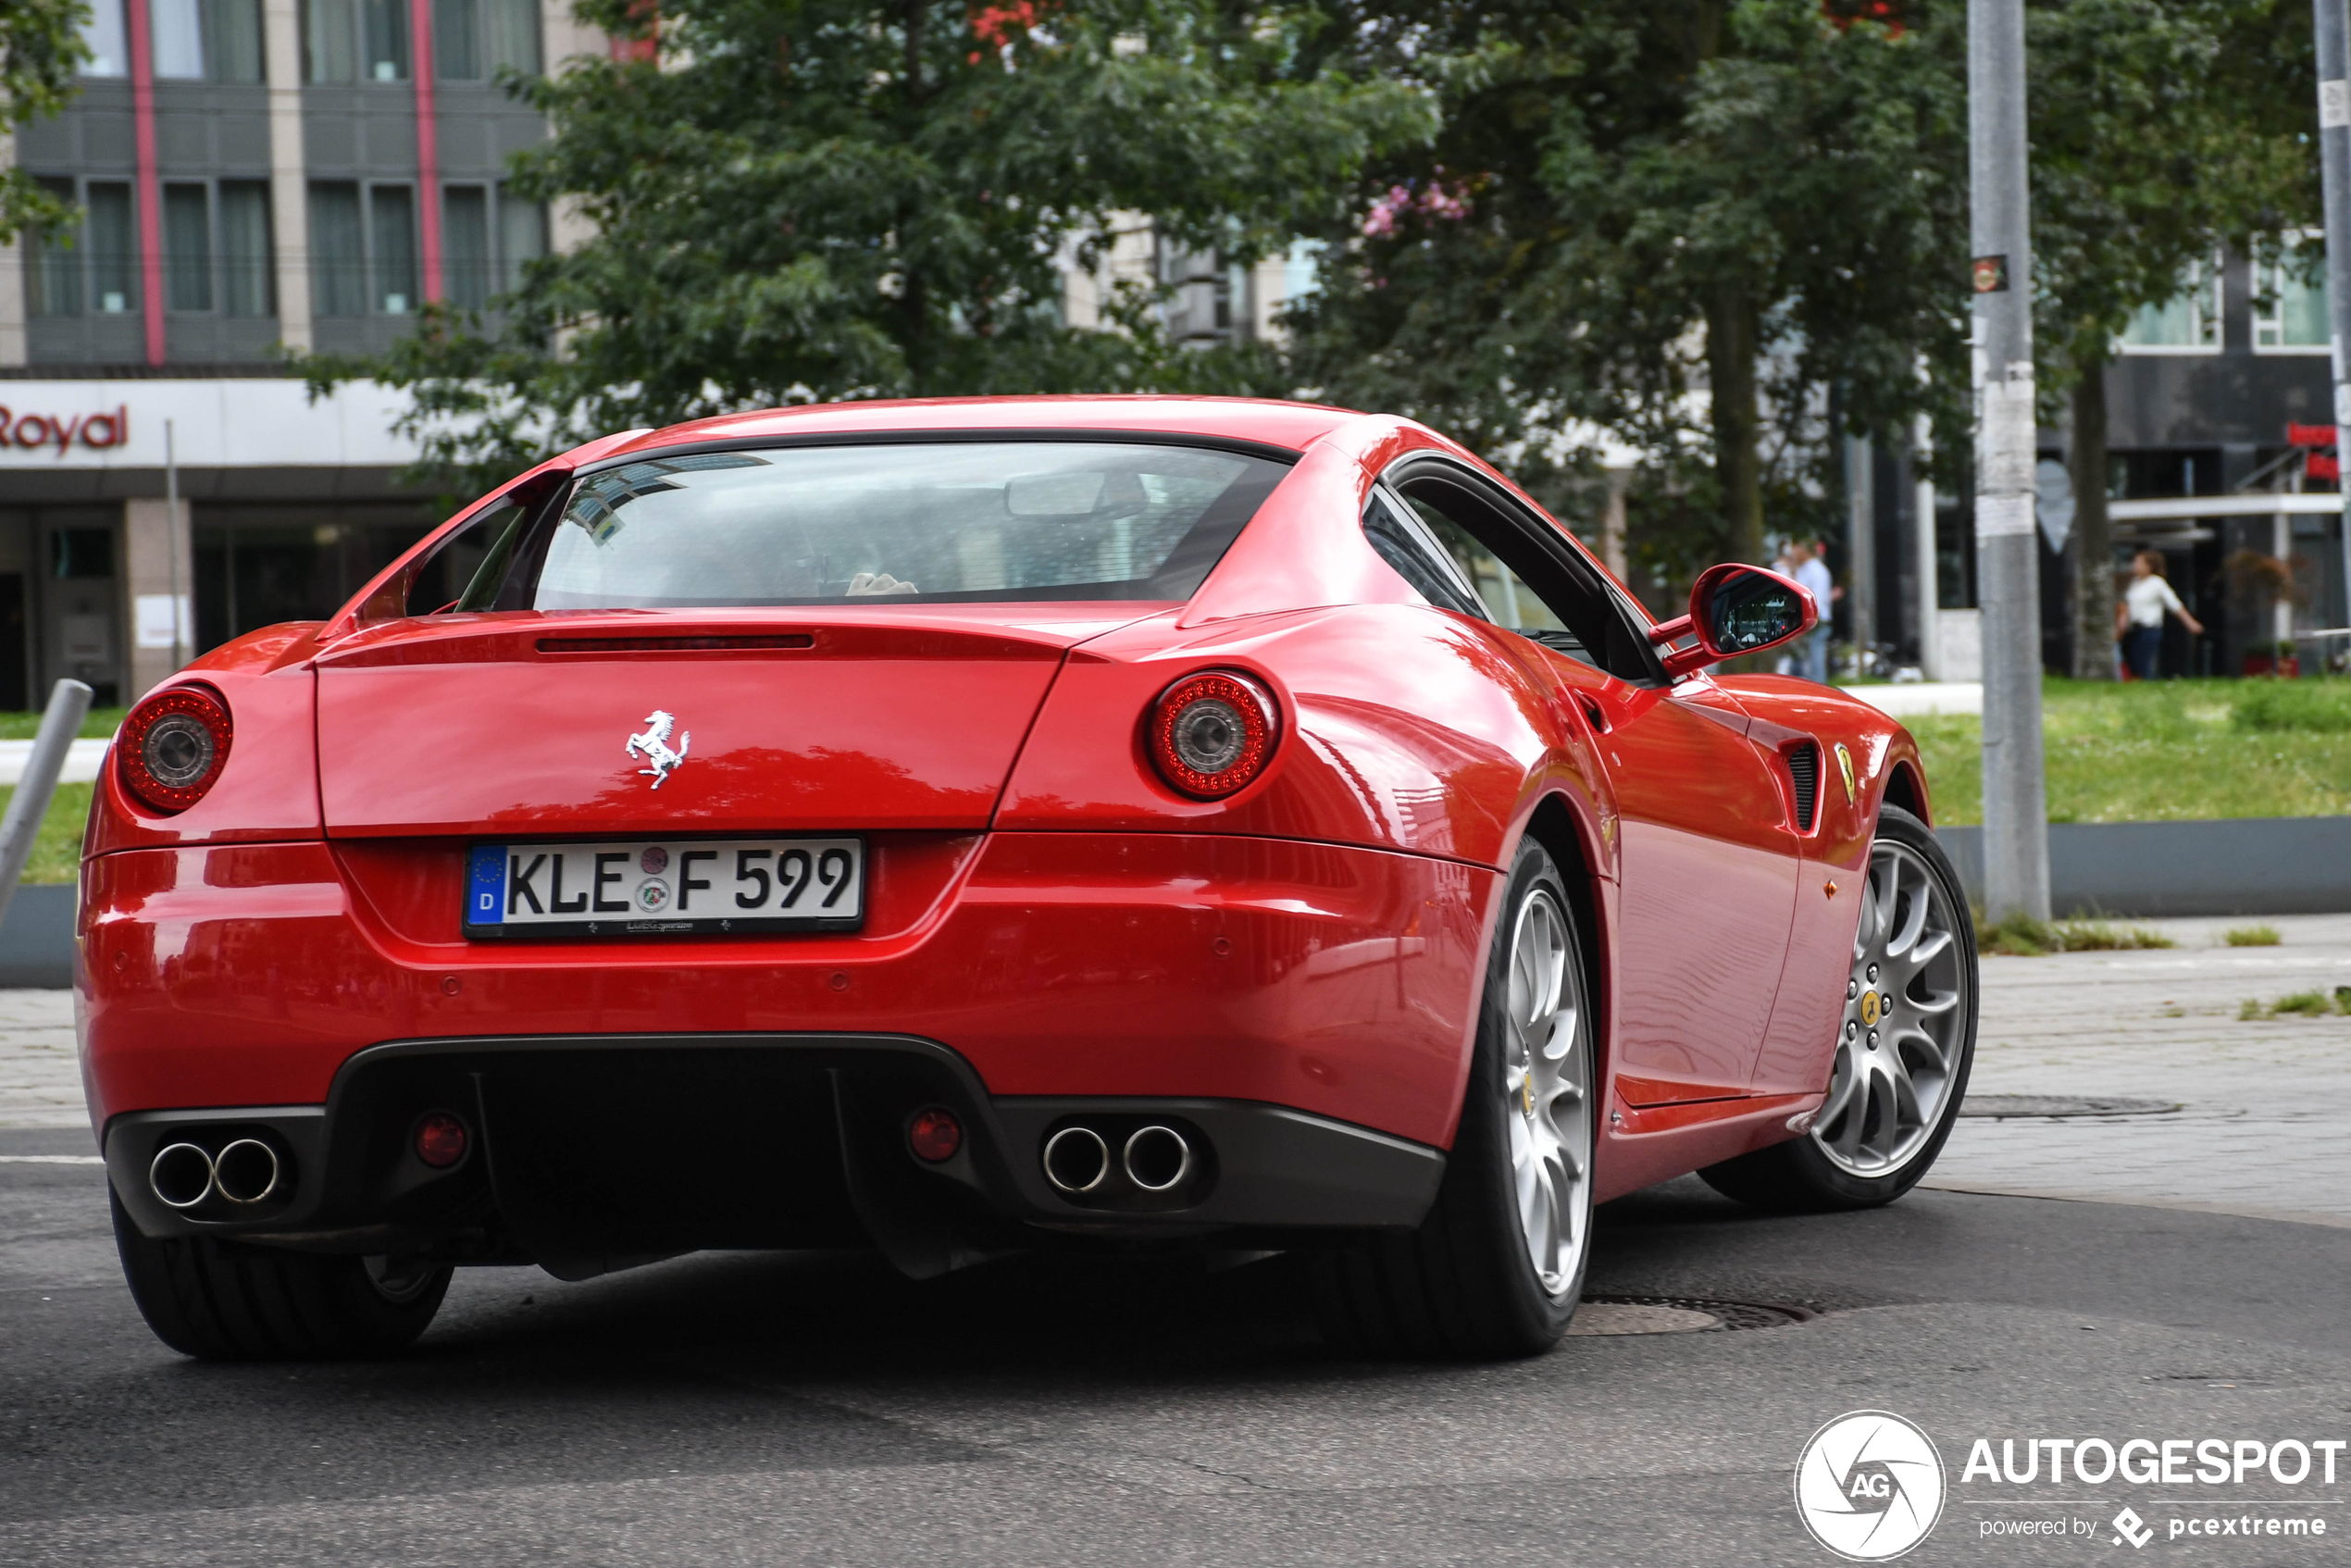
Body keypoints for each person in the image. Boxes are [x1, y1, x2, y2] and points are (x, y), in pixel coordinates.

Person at [2115, 550, 2202, 680]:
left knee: (2143, 661)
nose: (2135, 565)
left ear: (2149, 566)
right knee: (2133, 661)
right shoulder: (2135, 583)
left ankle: (2147, 685)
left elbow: (2175, 605)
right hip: (2133, 629)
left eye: (2138, 562)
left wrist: (2190, 623)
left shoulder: (2157, 583)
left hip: (2149, 629)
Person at [1792, 538, 1836, 684]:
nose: (1793, 552)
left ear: (1804, 549)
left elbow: (1815, 598)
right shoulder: (1804, 568)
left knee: (1815, 658)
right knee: (1806, 659)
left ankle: (1819, 685)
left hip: (1816, 621)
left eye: (1795, 547)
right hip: (1806, 620)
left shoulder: (1816, 570)